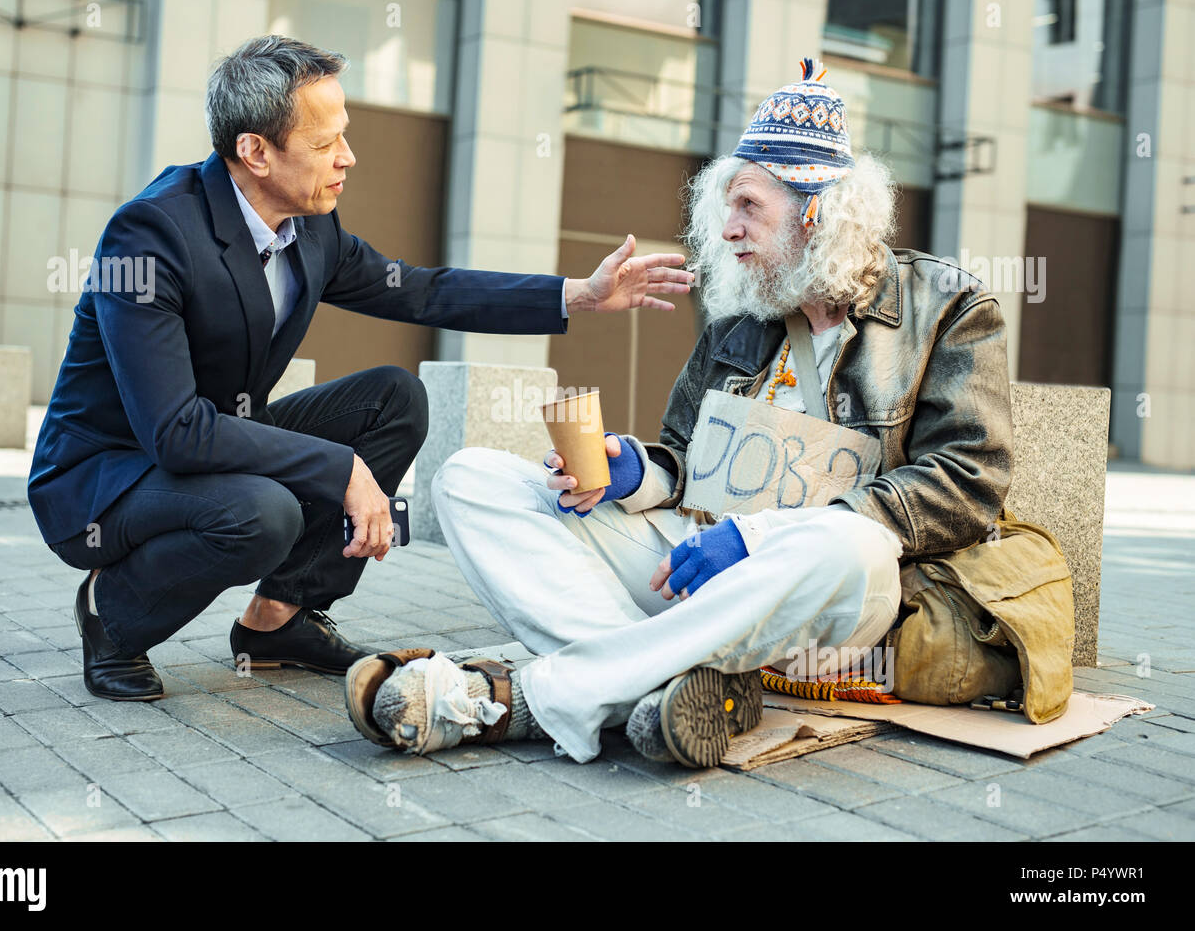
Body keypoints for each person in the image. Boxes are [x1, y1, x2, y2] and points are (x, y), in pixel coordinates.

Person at [348, 58, 1015, 768]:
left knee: (852, 545)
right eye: (726, 206)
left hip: (837, 601)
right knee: (466, 478)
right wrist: (632, 472)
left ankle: (537, 699)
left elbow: (969, 478)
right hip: (701, 574)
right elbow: (682, 458)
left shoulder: (948, 307)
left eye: (748, 207)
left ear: (818, 210)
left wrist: (757, 539)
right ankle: (663, 686)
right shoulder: (743, 320)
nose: (726, 230)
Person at [27, 35, 693, 702]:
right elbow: (173, 431)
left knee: (393, 399)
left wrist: (579, 294)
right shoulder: (151, 235)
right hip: (106, 477)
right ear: (256, 151)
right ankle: (112, 616)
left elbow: (423, 290)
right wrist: (340, 470)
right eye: (323, 145)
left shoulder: (310, 225)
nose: (347, 158)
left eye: (343, 135)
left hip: (211, 440)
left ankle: (277, 623)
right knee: (263, 514)